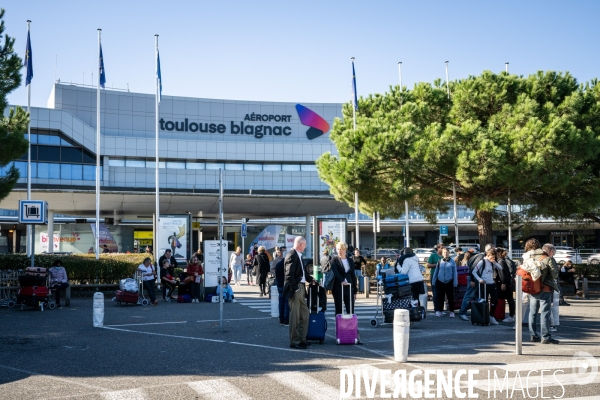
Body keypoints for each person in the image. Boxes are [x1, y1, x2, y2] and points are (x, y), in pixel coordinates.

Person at [522, 239, 559, 344]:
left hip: (532, 289)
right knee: (545, 313)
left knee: (532, 313)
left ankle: (533, 335)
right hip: (544, 289)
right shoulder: (547, 258)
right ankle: (545, 337)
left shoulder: (528, 257)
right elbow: (554, 275)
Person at [283, 236, 314, 349]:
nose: (305, 247)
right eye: (305, 245)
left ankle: (302, 339)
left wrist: (312, 280)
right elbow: (289, 274)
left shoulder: (298, 255)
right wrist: (295, 288)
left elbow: (303, 274)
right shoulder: (292, 255)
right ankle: (294, 341)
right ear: (300, 244)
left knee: (304, 314)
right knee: (295, 316)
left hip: (300, 287)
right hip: (296, 289)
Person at [458, 244, 494, 321]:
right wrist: (472, 280)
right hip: (474, 279)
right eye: (493, 249)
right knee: (469, 295)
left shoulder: (486, 258)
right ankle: (462, 313)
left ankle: (479, 314)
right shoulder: (481, 257)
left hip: (478, 279)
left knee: (478, 297)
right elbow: (473, 268)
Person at [472, 248, 504, 325]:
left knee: (495, 300)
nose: (492, 259)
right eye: (491, 257)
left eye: (494, 257)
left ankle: (491, 316)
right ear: (487, 255)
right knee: (484, 301)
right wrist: (479, 279)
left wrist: (495, 262)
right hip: (484, 284)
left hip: (492, 283)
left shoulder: (492, 262)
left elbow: (500, 268)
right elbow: (474, 271)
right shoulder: (482, 262)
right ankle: (485, 317)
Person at [432, 248, 458, 317]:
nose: (445, 253)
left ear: (449, 253)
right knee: (440, 297)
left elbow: (455, 272)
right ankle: (440, 310)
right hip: (440, 281)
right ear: (442, 253)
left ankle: (452, 311)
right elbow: (436, 271)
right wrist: (434, 281)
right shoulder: (440, 261)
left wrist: (455, 282)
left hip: (449, 281)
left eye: (446, 252)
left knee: (450, 297)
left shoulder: (452, 261)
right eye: (444, 252)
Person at [543, 243, 561, 333]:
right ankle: (551, 324)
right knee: (550, 305)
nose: (554, 253)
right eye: (553, 252)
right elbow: (554, 275)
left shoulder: (538, 257)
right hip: (548, 285)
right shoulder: (550, 259)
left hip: (536, 285)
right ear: (550, 251)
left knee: (535, 307)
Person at [495, 248, 516, 322]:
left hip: (504, 282)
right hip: (507, 282)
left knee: (509, 299)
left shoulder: (500, 261)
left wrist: (503, 282)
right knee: (510, 299)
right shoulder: (503, 260)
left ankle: (511, 315)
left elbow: (502, 273)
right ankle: (512, 314)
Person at [275, 249, 291, 325]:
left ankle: (281, 318)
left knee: (281, 302)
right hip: (286, 285)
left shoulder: (278, 264)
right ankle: (286, 319)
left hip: (279, 285)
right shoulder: (288, 265)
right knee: (287, 302)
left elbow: (276, 275)